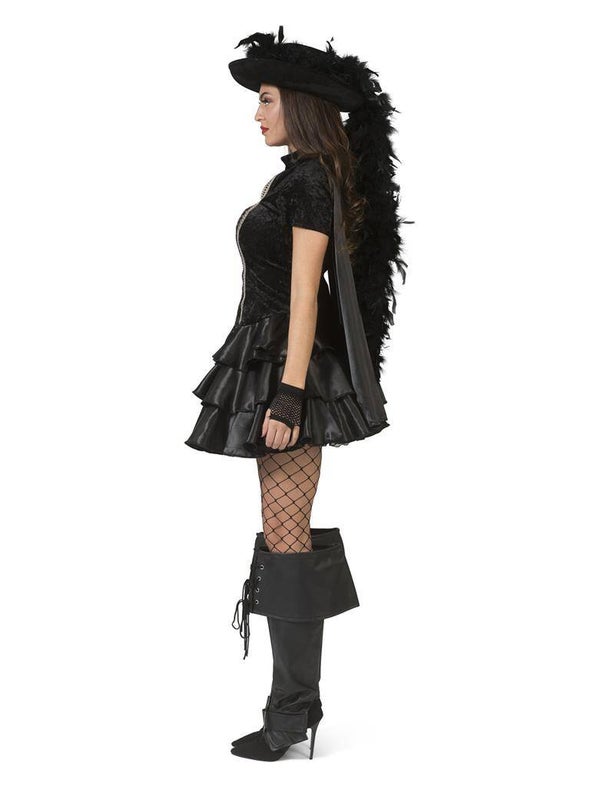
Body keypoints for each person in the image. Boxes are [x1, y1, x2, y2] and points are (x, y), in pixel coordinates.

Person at [184, 27, 411, 761]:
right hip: (272, 360)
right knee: (284, 531)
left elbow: (308, 297)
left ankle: (291, 713)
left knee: (287, 533)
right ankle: (294, 707)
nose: (257, 114)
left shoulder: (310, 182)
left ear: (301, 106)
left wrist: (287, 398)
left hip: (290, 372)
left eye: (267, 99)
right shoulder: (297, 178)